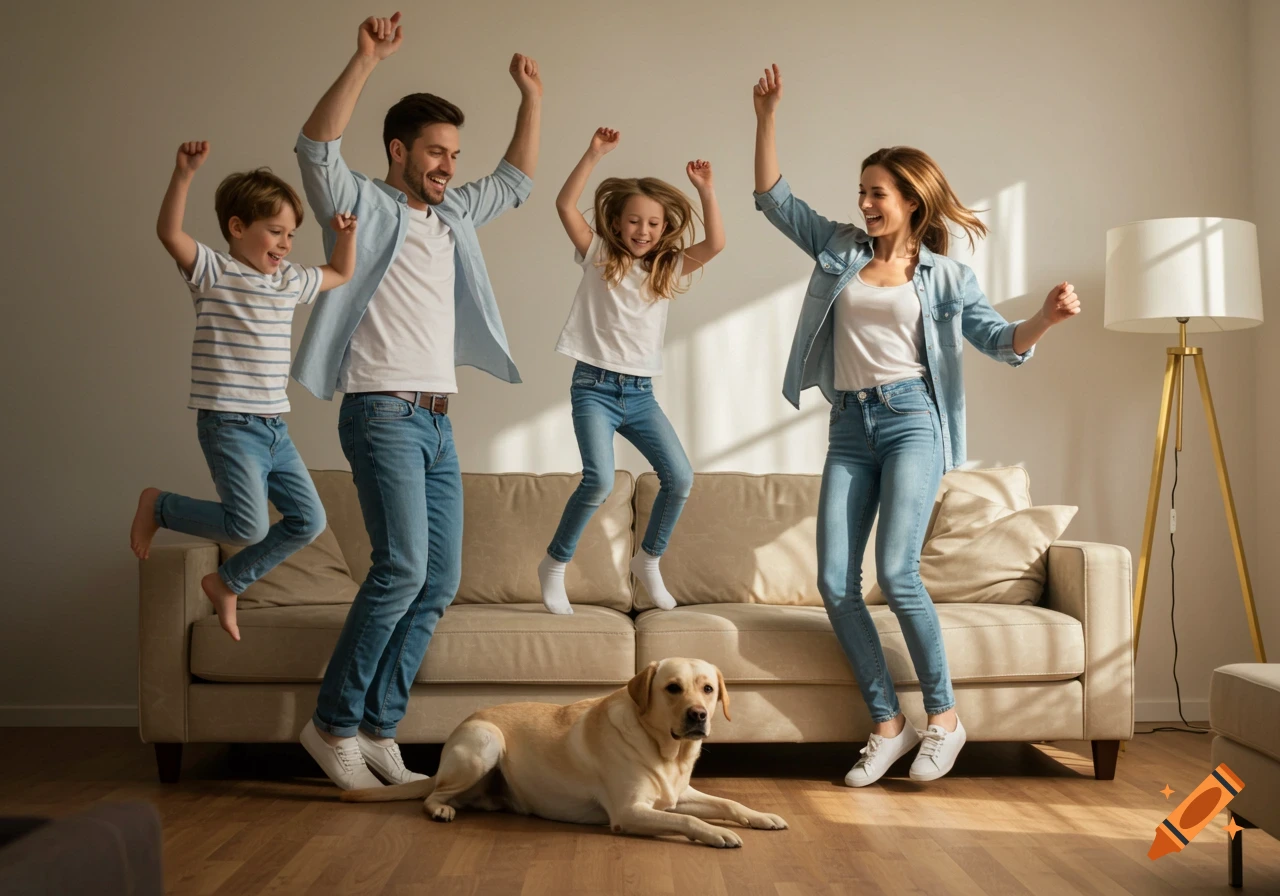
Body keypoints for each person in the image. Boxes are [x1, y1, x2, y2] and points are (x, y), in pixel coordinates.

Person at [751, 63, 1080, 786]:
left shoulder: (946, 276)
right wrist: (767, 115)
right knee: (836, 581)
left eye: (877, 193)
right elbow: (773, 200)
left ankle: (944, 720)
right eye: (861, 191)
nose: (864, 202)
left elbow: (999, 340)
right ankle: (886, 724)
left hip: (911, 423)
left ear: (909, 201)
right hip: (849, 426)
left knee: (897, 573)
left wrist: (1045, 321)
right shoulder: (837, 248)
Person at [289, 12, 542, 791]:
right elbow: (314, 148)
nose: (446, 165)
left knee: (437, 581)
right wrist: (364, 61)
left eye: (453, 155)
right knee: (399, 568)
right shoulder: (361, 203)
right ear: (399, 150)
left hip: (437, 418)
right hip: (381, 410)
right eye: (435, 151)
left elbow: (516, 181)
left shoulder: (455, 215)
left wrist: (531, 97)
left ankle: (377, 728)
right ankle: (330, 725)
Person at [130, 140, 356, 642]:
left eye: (291, 235)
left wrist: (344, 236)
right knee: (248, 527)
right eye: (275, 231)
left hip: (275, 428)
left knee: (308, 520)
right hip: (229, 424)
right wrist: (184, 173)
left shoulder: (289, 282)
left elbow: (341, 272)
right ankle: (159, 506)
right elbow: (169, 232)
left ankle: (227, 582)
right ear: (238, 227)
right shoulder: (214, 272)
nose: (285, 243)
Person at [537, 127, 724, 615]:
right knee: (598, 480)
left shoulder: (666, 269)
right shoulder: (598, 255)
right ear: (616, 225)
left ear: (664, 229)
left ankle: (648, 560)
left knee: (679, 477)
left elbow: (717, 243)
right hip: (594, 388)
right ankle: (554, 566)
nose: (643, 231)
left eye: (654, 224)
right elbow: (563, 204)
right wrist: (593, 154)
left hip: (640, 395)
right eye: (634, 222)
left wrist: (706, 190)